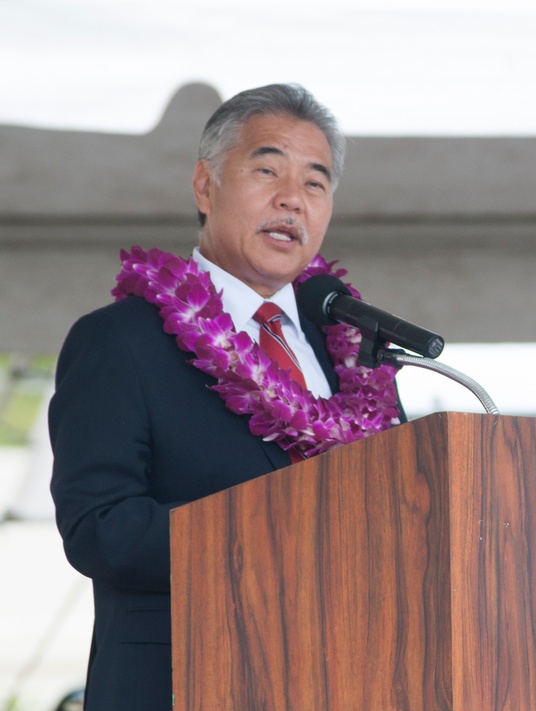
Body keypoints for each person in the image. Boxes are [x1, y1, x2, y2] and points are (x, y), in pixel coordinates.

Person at [49, 84, 403, 711]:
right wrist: (283, 535)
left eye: (315, 184)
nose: (291, 199)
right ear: (204, 186)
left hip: (348, 681)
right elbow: (100, 529)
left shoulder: (356, 355)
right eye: (267, 170)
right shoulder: (120, 342)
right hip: (186, 683)